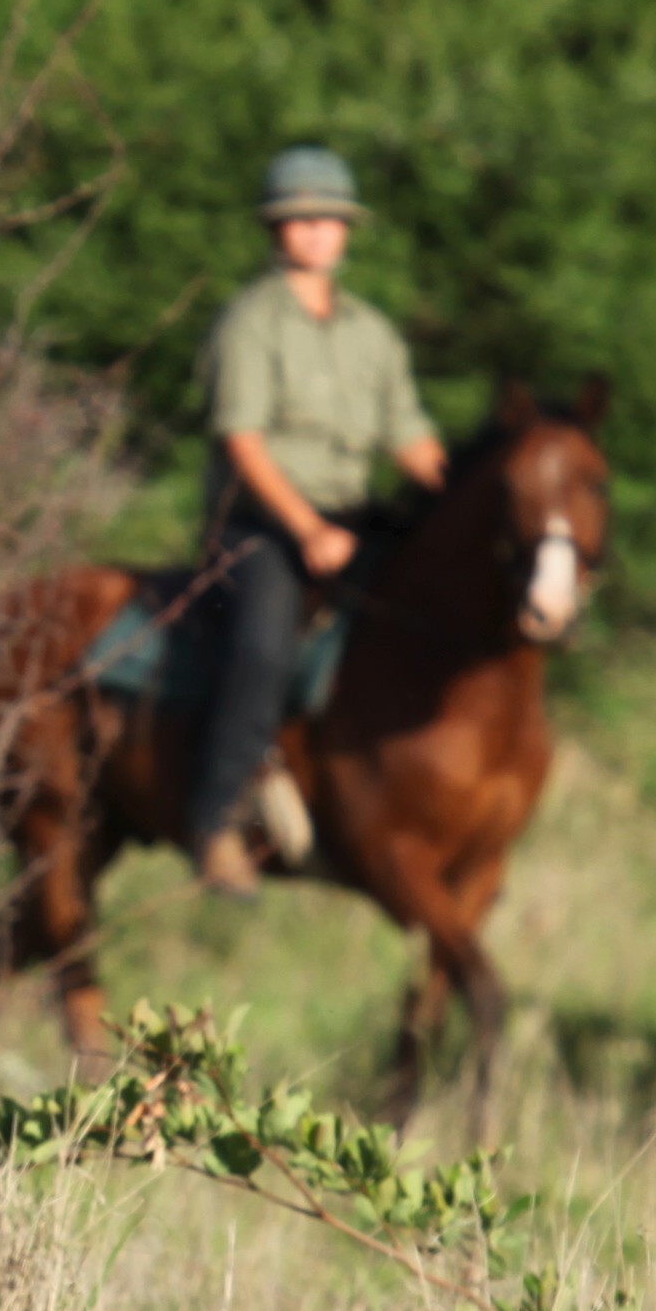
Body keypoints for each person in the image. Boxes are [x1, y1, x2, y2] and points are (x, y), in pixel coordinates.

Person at [188, 143, 446, 889]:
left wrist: (472, 494)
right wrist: (306, 530)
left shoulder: (372, 332)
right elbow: (242, 441)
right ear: (277, 231)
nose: (314, 233)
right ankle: (214, 824)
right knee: (264, 646)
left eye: (327, 220)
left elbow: (409, 435)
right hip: (261, 523)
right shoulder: (251, 322)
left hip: (351, 517)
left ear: (346, 231)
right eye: (298, 221)